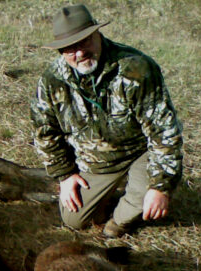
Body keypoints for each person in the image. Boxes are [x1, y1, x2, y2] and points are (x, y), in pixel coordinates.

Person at [31, 4, 183, 238]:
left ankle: (124, 217)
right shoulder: (51, 81)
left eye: (84, 42)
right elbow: (45, 133)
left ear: (97, 34)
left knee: (135, 212)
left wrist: (160, 186)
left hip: (140, 152)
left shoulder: (136, 68)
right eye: (69, 48)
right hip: (95, 162)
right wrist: (65, 175)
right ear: (60, 51)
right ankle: (116, 193)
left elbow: (164, 132)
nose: (79, 53)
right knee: (74, 219)